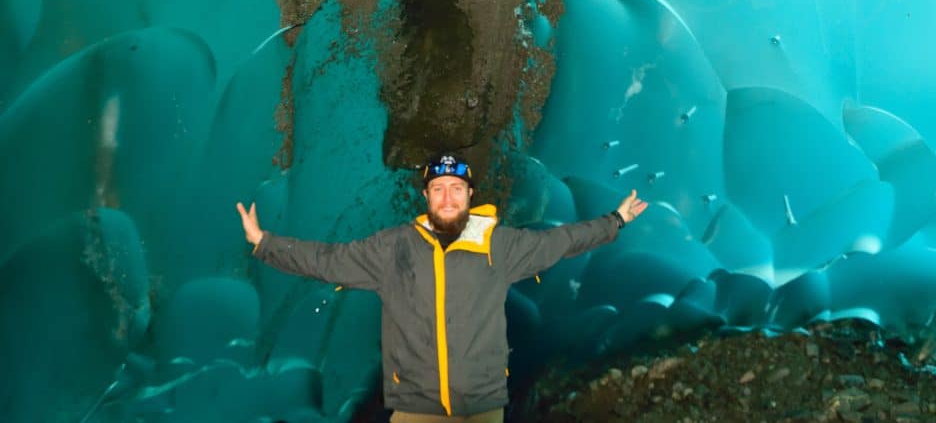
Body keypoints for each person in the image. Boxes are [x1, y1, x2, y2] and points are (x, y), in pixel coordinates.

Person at [236, 154, 648, 423]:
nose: (447, 197)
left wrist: (616, 220)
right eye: (438, 189)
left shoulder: (500, 246)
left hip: (482, 408)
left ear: (469, 194)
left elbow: (562, 242)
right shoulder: (394, 248)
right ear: (427, 196)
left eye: (455, 188)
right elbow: (329, 260)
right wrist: (265, 243)